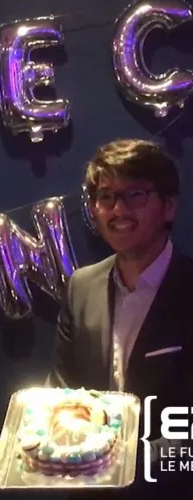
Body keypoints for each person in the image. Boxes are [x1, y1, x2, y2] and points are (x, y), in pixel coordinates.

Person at [46, 139, 193, 498]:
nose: (118, 210)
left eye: (135, 195)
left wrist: (128, 462)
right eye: (106, 197)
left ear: (169, 206)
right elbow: (63, 387)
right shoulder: (81, 286)